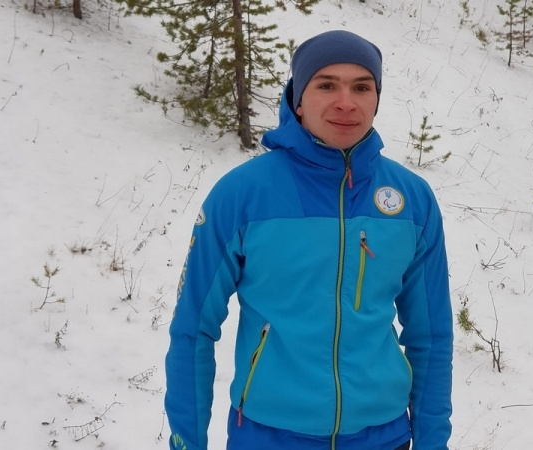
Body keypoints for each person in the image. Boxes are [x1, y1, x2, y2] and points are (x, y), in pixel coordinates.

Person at [165, 30, 453, 450]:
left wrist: (433, 442)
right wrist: (186, 442)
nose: (346, 102)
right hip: (268, 437)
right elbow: (193, 329)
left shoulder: (412, 199)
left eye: (362, 87)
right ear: (298, 99)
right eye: (326, 85)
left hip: (385, 437)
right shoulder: (243, 195)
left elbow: (431, 336)